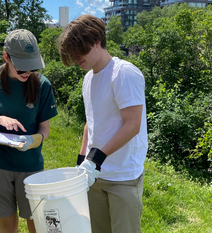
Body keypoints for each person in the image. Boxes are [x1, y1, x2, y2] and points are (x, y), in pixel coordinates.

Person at [58, 15, 148, 233]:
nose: (76, 56)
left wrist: (96, 158)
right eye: (72, 52)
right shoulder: (88, 78)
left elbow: (132, 125)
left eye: (80, 49)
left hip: (123, 176)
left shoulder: (123, 73)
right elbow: (91, 122)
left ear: (97, 41)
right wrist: (82, 161)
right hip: (95, 175)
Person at [0, 29, 58, 233]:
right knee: (7, 228)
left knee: (37, 224)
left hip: (30, 165)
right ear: (6, 57)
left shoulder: (42, 85)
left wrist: (32, 140)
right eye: (22, 68)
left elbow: (45, 129)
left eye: (32, 67)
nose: (28, 73)